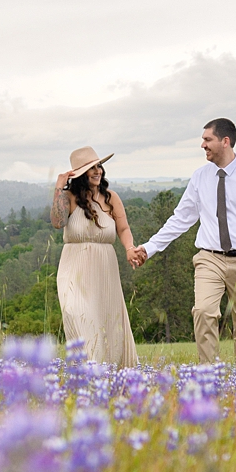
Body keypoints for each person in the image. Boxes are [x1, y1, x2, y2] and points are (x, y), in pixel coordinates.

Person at [128, 118, 236, 366]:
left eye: (207, 139)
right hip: (209, 258)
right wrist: (149, 248)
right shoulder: (200, 177)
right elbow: (180, 219)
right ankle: (209, 376)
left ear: (225, 141)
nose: (202, 145)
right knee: (204, 312)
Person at [49, 145, 140, 367]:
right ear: (81, 175)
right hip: (74, 268)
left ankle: (108, 374)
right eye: (92, 168)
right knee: (77, 314)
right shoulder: (69, 197)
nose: (98, 171)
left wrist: (130, 249)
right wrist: (59, 188)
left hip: (104, 268)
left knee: (106, 321)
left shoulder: (111, 198)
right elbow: (58, 222)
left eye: (99, 166)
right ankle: (88, 373)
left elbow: (123, 229)